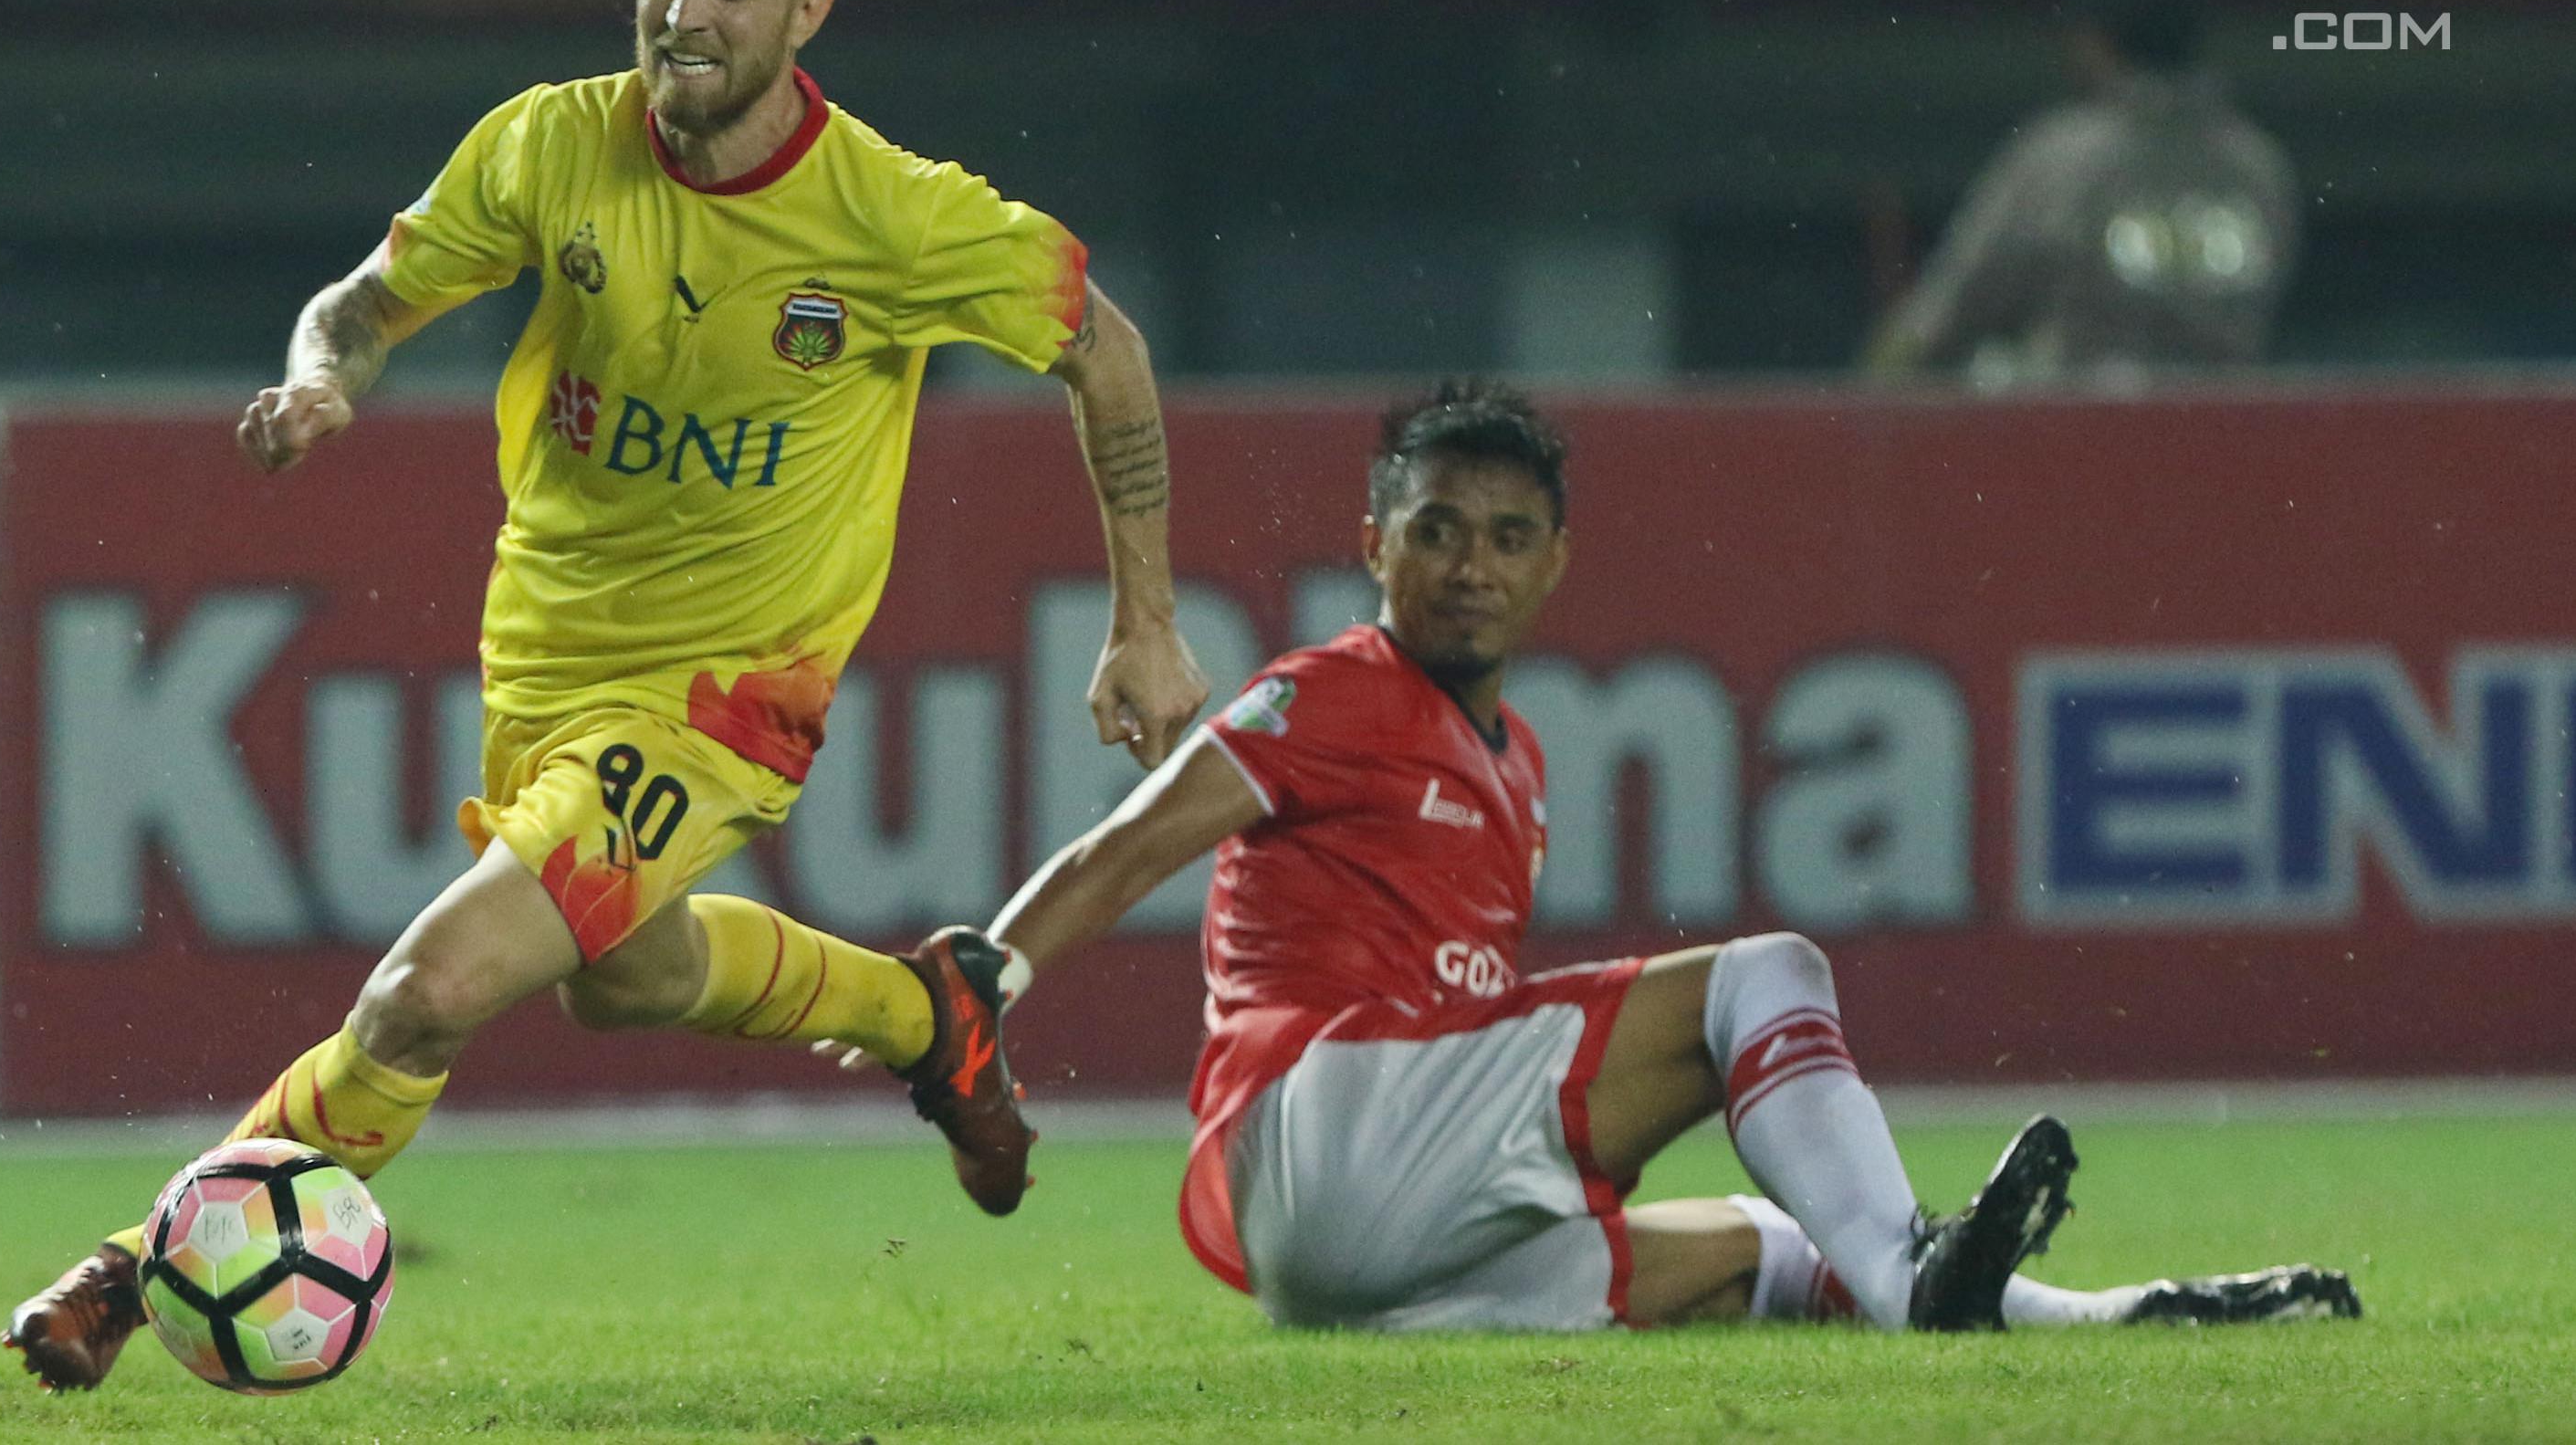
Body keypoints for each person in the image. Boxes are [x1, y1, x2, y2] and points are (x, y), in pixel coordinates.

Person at [5, 0, 1209, 1391]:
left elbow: (1100, 348)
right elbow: (359, 306)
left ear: (804, 17)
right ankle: (928, 1010)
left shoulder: (894, 219)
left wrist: (1147, 618)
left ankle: (131, 1261)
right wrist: (317, 383)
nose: (685, 12)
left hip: (722, 697)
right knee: (622, 978)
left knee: (426, 990)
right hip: (542, 660)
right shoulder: (548, 146)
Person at [976, 381, 2357, 1331]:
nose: (1471, 566)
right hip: (1325, 1124)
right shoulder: (1331, 690)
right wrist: (984, 984)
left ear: (1556, 561)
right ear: (1374, 547)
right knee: (1764, 977)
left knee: (1774, 1252)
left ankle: (2109, 1317)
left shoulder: (1517, 762)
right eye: (1436, 532)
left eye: (1508, 538)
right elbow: (1124, 845)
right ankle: (1918, 1277)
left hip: (1353, 1257)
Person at [1869, 0, 2299, 387]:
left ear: (2095, 41)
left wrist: (1872, 392)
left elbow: (1950, 312)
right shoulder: (2259, 164)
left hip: (2078, 434)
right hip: (2222, 435)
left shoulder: (2062, 155)